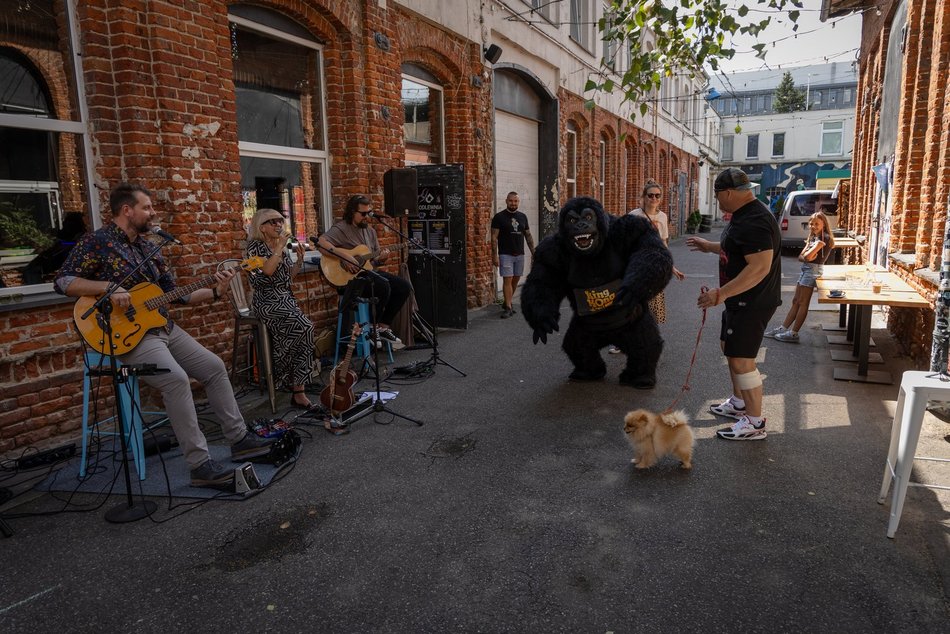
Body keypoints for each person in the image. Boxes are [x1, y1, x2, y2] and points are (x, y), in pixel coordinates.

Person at [55, 183, 274, 487]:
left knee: (213, 367)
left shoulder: (148, 247)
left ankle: (239, 439)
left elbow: (177, 296)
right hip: (126, 335)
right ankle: (199, 465)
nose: (153, 213)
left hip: (162, 327)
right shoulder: (97, 242)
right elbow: (63, 281)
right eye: (147, 207)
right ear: (126, 210)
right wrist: (107, 288)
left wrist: (215, 290)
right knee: (175, 379)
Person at [687, 168, 781, 441]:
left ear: (728, 193)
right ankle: (739, 403)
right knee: (729, 348)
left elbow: (759, 268)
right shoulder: (746, 215)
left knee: (742, 359)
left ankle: (754, 422)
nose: (717, 201)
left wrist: (721, 294)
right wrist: (710, 246)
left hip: (752, 301)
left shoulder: (755, 221)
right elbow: (739, 246)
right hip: (739, 299)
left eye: (717, 196)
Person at [245, 208, 317, 408]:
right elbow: (268, 272)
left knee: (304, 331)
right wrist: (279, 248)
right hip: (266, 301)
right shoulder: (255, 247)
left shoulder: (280, 247)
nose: (278, 225)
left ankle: (297, 389)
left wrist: (299, 260)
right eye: (273, 222)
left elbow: (286, 278)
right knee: (305, 328)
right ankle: (282, 372)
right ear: (262, 227)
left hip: (284, 298)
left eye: (280, 221)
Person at [317, 194, 408, 349]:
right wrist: (344, 257)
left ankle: (382, 326)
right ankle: (372, 328)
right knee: (383, 285)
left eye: (369, 213)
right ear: (352, 212)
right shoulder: (341, 228)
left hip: (367, 273)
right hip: (349, 280)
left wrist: (381, 259)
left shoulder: (370, 232)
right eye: (363, 214)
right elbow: (320, 243)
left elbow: (371, 262)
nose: (367, 217)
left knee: (403, 287)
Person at [609, 179, 685, 354]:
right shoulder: (634, 215)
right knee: (630, 303)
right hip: (634, 265)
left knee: (653, 307)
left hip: (655, 266)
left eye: (657, 196)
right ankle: (622, 342)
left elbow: (664, 243)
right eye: (650, 195)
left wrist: (671, 266)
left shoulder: (663, 217)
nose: (654, 198)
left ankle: (648, 340)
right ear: (643, 197)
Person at [765, 211, 835, 343]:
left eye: (817, 224)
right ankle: (783, 328)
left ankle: (794, 333)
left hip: (812, 271)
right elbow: (801, 257)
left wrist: (808, 255)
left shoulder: (823, 239)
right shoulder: (814, 237)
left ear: (824, 224)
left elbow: (807, 257)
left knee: (803, 303)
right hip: (806, 269)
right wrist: (808, 255)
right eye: (811, 223)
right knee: (796, 300)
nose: (813, 226)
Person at [491, 192, 535, 318]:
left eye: (515, 201)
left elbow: (528, 235)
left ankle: (506, 302)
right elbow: (494, 238)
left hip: (519, 254)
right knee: (507, 280)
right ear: (506, 201)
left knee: (515, 279)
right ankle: (509, 308)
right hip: (505, 254)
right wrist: (494, 256)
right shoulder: (499, 217)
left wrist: (534, 252)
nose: (513, 203)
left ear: (518, 202)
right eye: (511, 201)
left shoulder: (523, 217)